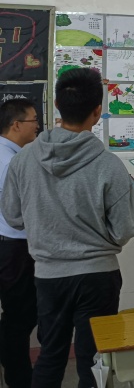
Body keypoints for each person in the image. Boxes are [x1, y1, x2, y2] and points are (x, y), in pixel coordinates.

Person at [1, 68, 134, 388]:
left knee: (50, 355)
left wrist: (43, 225)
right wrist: (101, 241)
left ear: (57, 106)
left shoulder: (24, 160)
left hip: (48, 275)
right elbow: (125, 228)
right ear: (97, 111)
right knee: (95, 360)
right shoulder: (109, 165)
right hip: (98, 275)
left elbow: (12, 216)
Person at [0, 99, 40, 388]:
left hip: (10, 247)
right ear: (16, 125)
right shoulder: (11, 162)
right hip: (15, 249)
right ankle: (19, 380)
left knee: (19, 316)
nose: (37, 125)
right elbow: (22, 211)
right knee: (19, 318)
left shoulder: (10, 155)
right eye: (33, 120)